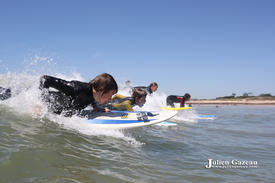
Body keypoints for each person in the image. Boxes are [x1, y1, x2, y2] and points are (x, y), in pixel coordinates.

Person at [39, 73, 118, 116]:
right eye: (110, 94)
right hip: (50, 101)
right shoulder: (76, 88)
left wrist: (95, 107)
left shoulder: (94, 94)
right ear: (101, 89)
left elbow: (90, 97)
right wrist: (40, 103)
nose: (110, 99)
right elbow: (45, 79)